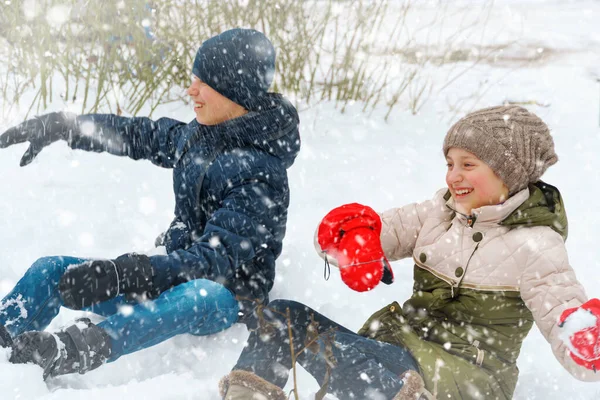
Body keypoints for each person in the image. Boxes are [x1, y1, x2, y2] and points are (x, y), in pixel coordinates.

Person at [218, 106, 600, 400]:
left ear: (509, 175)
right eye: (450, 164)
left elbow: (562, 311)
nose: (453, 176)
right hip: (400, 358)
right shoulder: (438, 213)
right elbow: (374, 231)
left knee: (358, 361)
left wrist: (583, 341)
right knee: (284, 317)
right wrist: (350, 240)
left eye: (469, 165)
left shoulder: (536, 244)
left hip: (469, 379)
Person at [0, 28, 300, 380]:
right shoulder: (199, 136)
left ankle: (76, 349)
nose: (191, 90)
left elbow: (212, 264)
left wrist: (126, 273)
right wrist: (65, 126)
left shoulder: (260, 174)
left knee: (199, 294)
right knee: (51, 269)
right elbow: (138, 134)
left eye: (204, 83)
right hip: (168, 275)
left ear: (235, 91)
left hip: (227, 298)